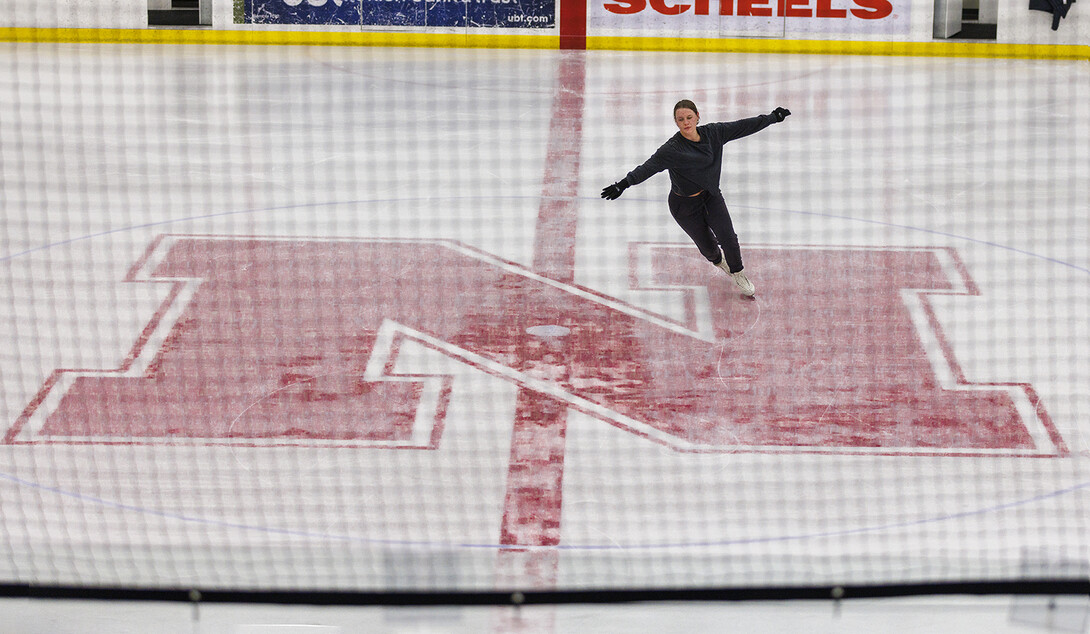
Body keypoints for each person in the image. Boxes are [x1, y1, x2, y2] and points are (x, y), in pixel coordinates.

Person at [601, 100, 791, 297]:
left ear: (698, 116)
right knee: (709, 249)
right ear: (676, 122)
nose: (686, 122)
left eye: (689, 117)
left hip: (710, 197)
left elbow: (743, 126)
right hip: (684, 206)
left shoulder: (714, 133)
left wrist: (771, 118)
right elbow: (648, 167)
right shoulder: (672, 149)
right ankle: (720, 262)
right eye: (680, 119)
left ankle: (738, 272)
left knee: (729, 238)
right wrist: (622, 184)